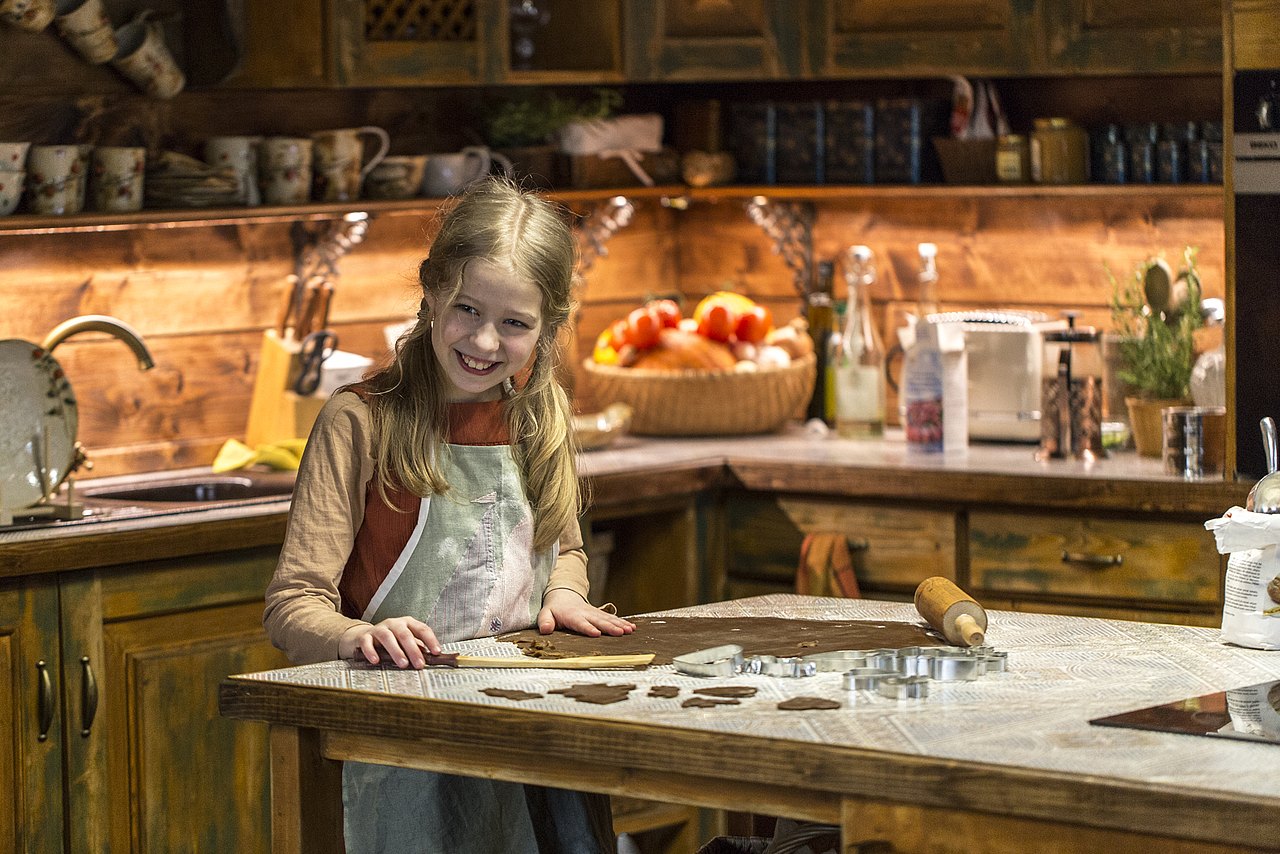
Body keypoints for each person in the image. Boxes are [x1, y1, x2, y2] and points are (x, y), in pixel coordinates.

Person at [263, 175, 635, 854]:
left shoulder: (539, 419)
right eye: (467, 309)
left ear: (548, 325)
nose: (485, 341)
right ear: (431, 290)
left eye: (514, 324)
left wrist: (564, 592)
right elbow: (292, 604)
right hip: (405, 748)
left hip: (535, 739)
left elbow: (567, 551)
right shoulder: (361, 422)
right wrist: (356, 637)